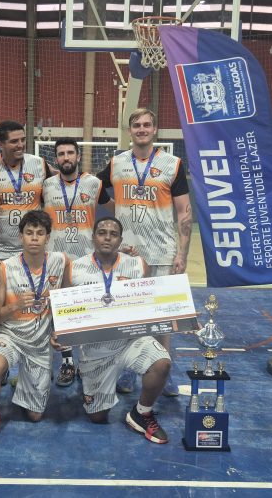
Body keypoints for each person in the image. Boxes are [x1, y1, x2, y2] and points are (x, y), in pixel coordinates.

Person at [95, 108, 191, 397]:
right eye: (136, 125)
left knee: (163, 318)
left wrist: (182, 253)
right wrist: (116, 210)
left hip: (162, 251)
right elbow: (95, 189)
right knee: (129, 316)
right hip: (127, 254)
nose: (142, 129)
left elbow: (184, 212)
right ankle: (130, 367)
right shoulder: (117, 163)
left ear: (155, 129)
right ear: (130, 131)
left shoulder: (172, 164)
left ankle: (164, 369)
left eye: (147, 124)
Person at [52, 216, 171, 444]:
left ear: (120, 240)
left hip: (130, 341)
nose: (107, 237)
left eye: (113, 234)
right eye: (102, 233)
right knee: (97, 417)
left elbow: (150, 304)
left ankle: (142, 412)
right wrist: (59, 335)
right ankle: (89, 381)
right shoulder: (75, 268)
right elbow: (63, 311)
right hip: (95, 350)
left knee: (162, 363)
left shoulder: (138, 265)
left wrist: (179, 317)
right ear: (93, 237)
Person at [0, 210, 69, 448]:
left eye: (40, 233)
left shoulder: (61, 262)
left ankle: (26, 382)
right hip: (10, 335)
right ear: (20, 236)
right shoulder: (4, 267)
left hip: (39, 342)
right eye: (29, 232)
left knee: (35, 416)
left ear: (47, 238)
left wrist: (60, 332)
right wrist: (15, 306)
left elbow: (66, 303)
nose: (34, 238)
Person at [42, 138, 103, 387]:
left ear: (78, 156)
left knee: (87, 312)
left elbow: (115, 208)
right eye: (61, 154)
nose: (66, 157)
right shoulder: (46, 185)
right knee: (60, 313)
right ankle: (67, 361)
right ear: (56, 159)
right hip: (56, 259)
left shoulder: (94, 183)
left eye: (70, 153)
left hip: (86, 259)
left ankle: (87, 362)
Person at [0, 120, 55, 263]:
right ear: (1, 144)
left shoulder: (39, 164)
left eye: (23, 140)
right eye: (14, 141)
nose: (20, 145)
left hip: (33, 249)